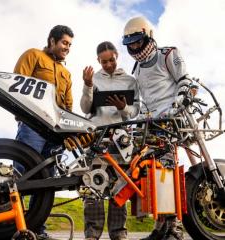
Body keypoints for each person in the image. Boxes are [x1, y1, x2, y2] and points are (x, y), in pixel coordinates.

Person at [122, 16, 192, 240]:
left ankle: (175, 228)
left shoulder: (168, 55)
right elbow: (142, 103)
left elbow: (184, 81)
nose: (134, 47)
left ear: (148, 36)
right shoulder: (137, 70)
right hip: (150, 125)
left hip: (171, 122)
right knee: (150, 176)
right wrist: (135, 122)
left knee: (168, 174)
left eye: (136, 41)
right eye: (130, 44)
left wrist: (178, 104)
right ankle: (161, 226)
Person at [14, 25, 74, 239]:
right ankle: (13, 228)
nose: (67, 47)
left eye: (70, 44)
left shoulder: (67, 74)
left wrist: (68, 133)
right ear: (52, 40)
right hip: (32, 127)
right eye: (64, 43)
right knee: (21, 176)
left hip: (55, 133)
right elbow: (17, 85)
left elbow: (68, 106)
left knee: (46, 182)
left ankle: (37, 230)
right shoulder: (33, 56)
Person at [80, 41, 140, 240]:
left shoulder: (130, 81)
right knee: (93, 186)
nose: (108, 65)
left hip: (120, 139)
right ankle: (92, 234)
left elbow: (134, 113)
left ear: (117, 56)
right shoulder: (94, 78)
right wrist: (88, 86)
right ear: (98, 60)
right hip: (96, 137)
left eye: (111, 60)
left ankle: (118, 233)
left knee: (119, 186)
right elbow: (85, 108)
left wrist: (123, 107)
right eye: (104, 62)